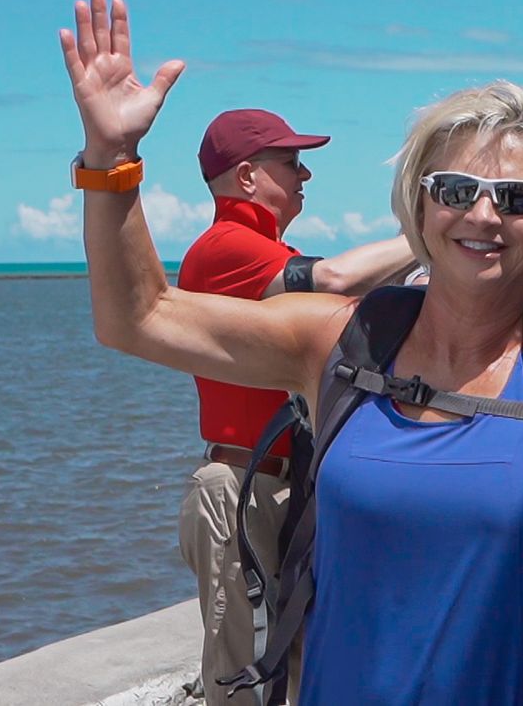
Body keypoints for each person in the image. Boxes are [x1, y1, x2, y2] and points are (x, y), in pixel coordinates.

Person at [59, 0, 523, 705]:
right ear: (418, 205)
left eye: (517, 199)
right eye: (455, 190)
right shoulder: (336, 339)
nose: (483, 215)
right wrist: (110, 157)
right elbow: (138, 316)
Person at [175, 107, 418, 704]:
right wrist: (426, 235)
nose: (305, 175)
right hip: (239, 488)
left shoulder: (265, 255)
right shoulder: (223, 248)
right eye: (292, 162)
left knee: (304, 654)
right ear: (249, 176)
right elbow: (334, 281)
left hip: (287, 484)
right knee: (241, 669)